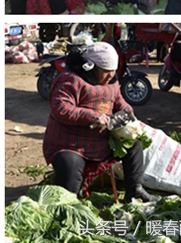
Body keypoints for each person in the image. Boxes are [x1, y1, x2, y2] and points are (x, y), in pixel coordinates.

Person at [43, 42, 158, 203]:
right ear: (91, 67)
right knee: (69, 165)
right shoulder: (70, 79)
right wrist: (92, 116)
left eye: (113, 71)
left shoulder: (112, 82)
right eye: (106, 72)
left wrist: (128, 113)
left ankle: (135, 190)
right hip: (69, 144)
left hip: (101, 142)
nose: (111, 76)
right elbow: (60, 107)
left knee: (134, 144)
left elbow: (119, 102)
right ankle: (68, 203)